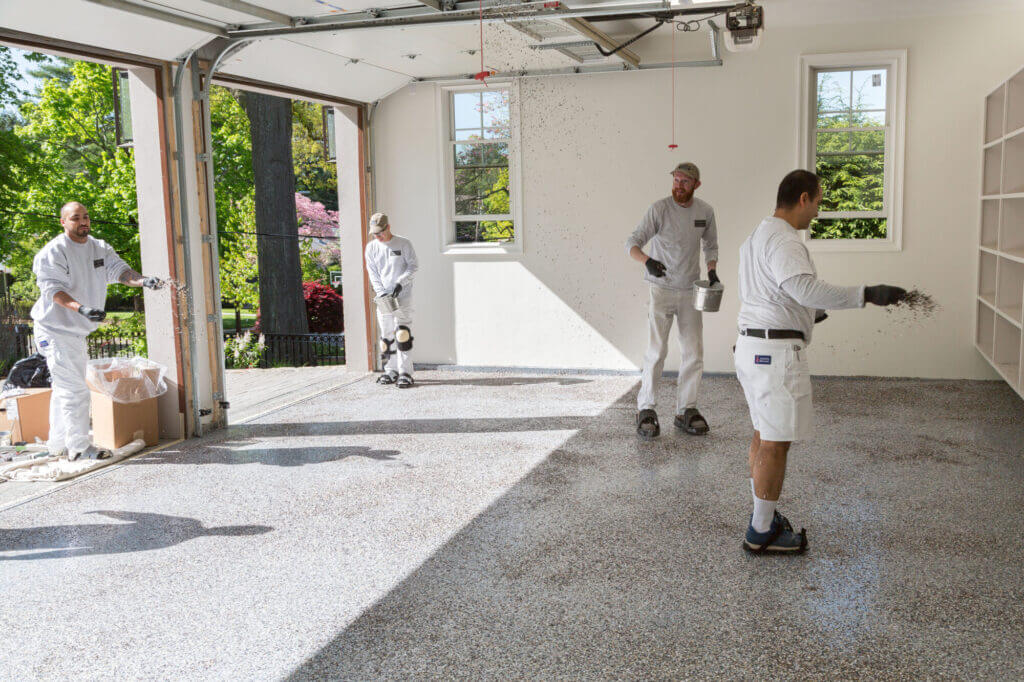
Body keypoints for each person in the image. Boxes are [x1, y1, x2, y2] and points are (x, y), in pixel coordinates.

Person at [735, 170, 906, 554]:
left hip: (753, 347)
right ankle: (761, 531)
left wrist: (807, 316)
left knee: (764, 436)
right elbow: (802, 287)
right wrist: (867, 293)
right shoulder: (784, 239)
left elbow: (772, 294)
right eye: (818, 201)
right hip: (774, 355)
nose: (818, 210)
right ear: (803, 199)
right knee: (776, 444)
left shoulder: (757, 236)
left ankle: (763, 517)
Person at [31, 202, 163, 461]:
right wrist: (81, 309)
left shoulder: (99, 247)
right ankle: (79, 448)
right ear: (63, 222)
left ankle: (58, 445)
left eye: (86, 217)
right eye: (75, 218)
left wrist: (143, 281)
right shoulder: (53, 252)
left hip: (75, 331)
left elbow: (121, 272)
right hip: (54, 330)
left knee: (64, 388)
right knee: (75, 390)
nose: (83, 222)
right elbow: (53, 290)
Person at [626, 162, 719, 441]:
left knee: (693, 351)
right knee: (657, 351)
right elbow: (632, 242)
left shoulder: (705, 211)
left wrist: (712, 271)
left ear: (696, 185)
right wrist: (648, 262)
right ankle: (646, 408)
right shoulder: (660, 209)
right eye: (676, 180)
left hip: (691, 291)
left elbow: (711, 245)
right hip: (661, 289)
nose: (679, 185)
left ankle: (686, 410)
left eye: (685, 182)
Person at [364, 212, 418, 388]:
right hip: (384, 298)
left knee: (402, 333)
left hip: (402, 296)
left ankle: (406, 373)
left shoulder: (403, 244)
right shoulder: (371, 248)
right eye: (375, 233)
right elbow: (372, 272)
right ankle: (390, 370)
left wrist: (400, 283)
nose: (377, 236)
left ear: (388, 227)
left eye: (380, 232)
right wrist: (381, 292)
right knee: (386, 335)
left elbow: (413, 266)